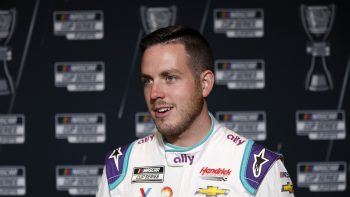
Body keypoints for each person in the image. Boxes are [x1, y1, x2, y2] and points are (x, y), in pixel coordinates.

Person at [96, 25, 295, 197]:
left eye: (170, 78)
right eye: (148, 81)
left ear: (205, 84)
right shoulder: (120, 166)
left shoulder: (258, 169)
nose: (154, 93)